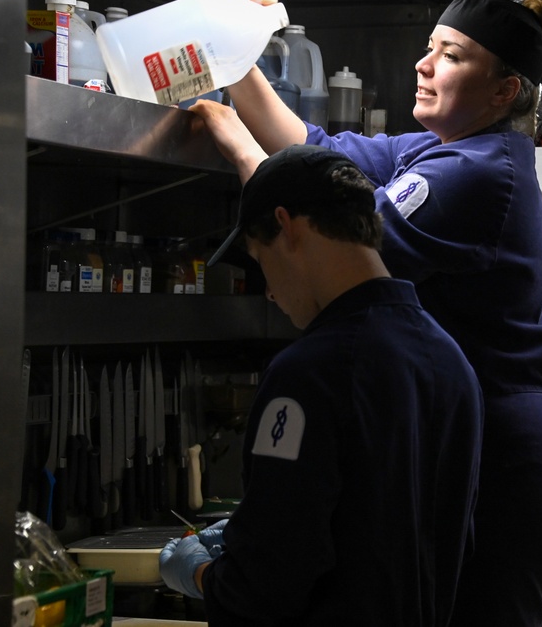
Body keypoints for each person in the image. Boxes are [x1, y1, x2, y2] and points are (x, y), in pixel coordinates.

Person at [189, 0, 542, 626]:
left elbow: (335, 237)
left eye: (451, 56)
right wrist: (238, 61)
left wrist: (234, 142)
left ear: (503, 91)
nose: (422, 65)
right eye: (428, 49)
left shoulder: (477, 174)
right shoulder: (435, 149)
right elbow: (313, 150)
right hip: (464, 424)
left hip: (507, 449)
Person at [159, 144, 484, 626]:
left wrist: (203, 573)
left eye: (261, 259)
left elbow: (267, 581)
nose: (269, 291)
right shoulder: (450, 359)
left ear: (287, 226)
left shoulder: (307, 374)